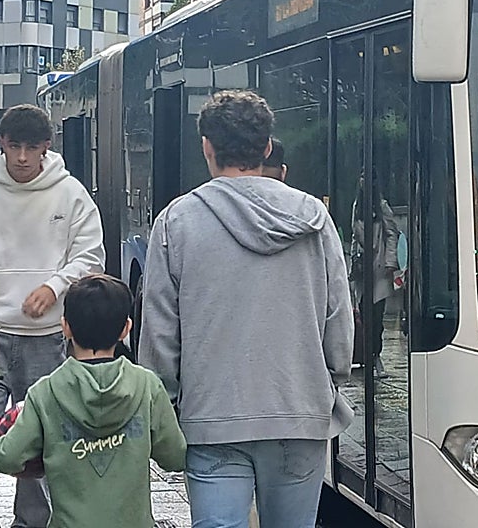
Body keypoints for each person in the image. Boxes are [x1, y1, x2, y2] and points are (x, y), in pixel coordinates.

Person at [139, 90, 353, 528]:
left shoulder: (176, 222)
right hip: (300, 411)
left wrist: (169, 401)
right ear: (268, 147)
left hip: (212, 418)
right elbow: (338, 315)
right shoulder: (313, 217)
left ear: (206, 147)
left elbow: (160, 331)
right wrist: (328, 378)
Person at [0, 104, 105, 528]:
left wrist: (54, 287)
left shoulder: (71, 193)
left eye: (33, 147)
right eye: (15, 147)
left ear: (47, 146)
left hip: (49, 340)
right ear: (2, 145)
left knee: (45, 450)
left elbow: (90, 255)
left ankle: (34, 524)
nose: (24, 157)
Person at [0, 274, 187, 528]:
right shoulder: (147, 386)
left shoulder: (46, 392)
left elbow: (9, 456)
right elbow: (174, 457)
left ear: (65, 327)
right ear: (125, 329)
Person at [350, 172, 399, 379]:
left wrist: (390, 261)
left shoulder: (382, 206)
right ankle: (367, 357)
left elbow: (392, 233)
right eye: (360, 177)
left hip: (379, 269)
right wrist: (354, 260)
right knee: (364, 314)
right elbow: (354, 234)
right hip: (363, 269)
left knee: (377, 316)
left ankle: (376, 356)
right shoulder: (357, 207)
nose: (363, 180)